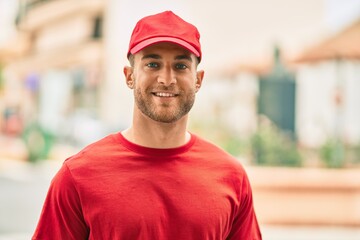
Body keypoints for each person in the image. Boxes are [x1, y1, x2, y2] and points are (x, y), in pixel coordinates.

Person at [32, 11, 262, 240]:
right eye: (153, 64)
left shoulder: (231, 177)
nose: (167, 79)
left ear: (198, 79)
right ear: (129, 76)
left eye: (181, 66)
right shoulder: (78, 176)